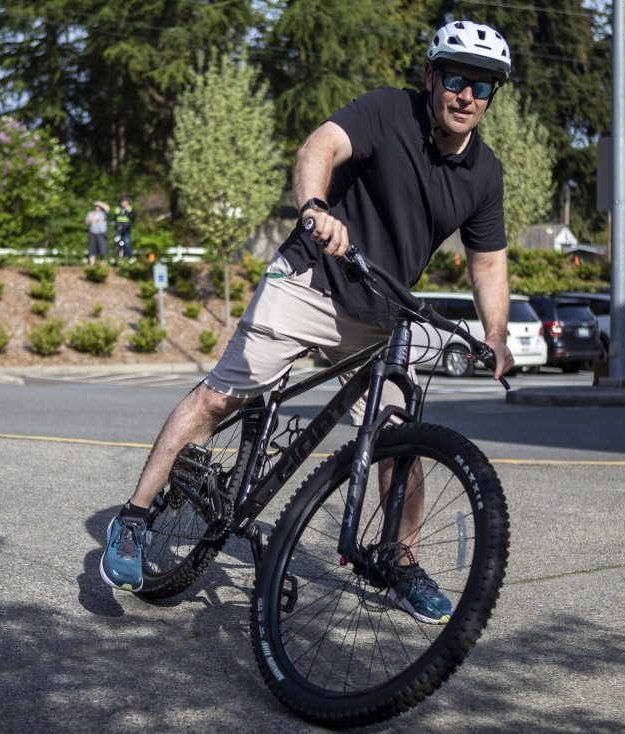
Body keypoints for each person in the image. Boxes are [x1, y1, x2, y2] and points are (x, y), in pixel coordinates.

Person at [100, 20, 516, 623]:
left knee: (396, 442)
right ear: (432, 78)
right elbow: (319, 147)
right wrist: (316, 206)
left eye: (482, 88)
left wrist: (495, 335)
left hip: (380, 308)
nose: (466, 97)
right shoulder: (386, 111)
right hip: (311, 278)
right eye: (456, 80)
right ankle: (135, 518)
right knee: (222, 397)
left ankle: (401, 561)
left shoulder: (485, 174)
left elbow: (489, 261)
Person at [113, 195, 135, 263]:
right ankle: (116, 258)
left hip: (126, 228)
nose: (124, 203)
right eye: (122, 202)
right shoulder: (117, 209)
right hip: (118, 228)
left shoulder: (130, 209)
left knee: (127, 242)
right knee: (117, 243)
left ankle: (129, 257)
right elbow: (114, 217)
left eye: (125, 202)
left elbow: (133, 217)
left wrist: (129, 211)